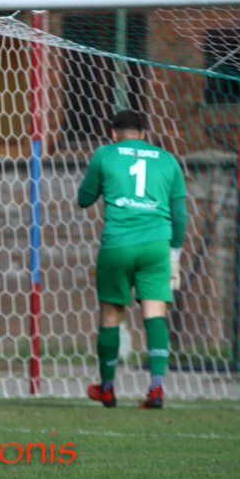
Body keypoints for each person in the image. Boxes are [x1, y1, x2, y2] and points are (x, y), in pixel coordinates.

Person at [77, 109, 186, 410]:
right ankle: (156, 389)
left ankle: (107, 389)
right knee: (155, 315)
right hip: (157, 246)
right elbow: (180, 215)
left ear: (113, 133)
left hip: (118, 245)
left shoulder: (104, 154)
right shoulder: (168, 160)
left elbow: (84, 200)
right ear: (143, 134)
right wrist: (174, 255)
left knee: (111, 316)